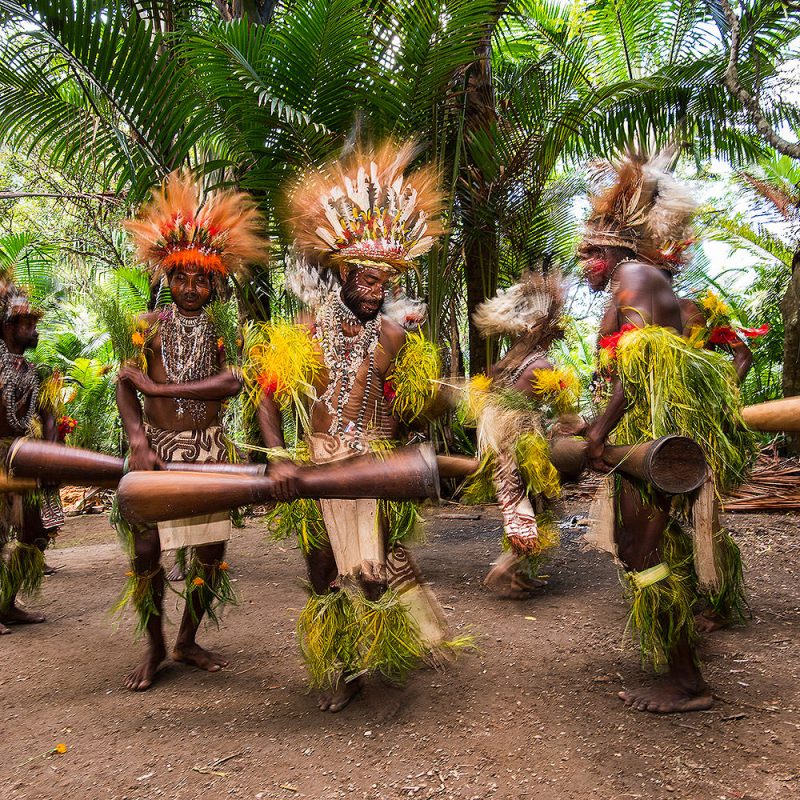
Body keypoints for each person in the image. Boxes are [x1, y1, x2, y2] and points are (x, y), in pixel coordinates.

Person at [250, 141, 466, 712]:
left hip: (375, 465)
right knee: (323, 571)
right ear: (343, 272)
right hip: (319, 464)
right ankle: (342, 669)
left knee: (373, 571)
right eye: (365, 281)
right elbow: (267, 399)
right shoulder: (305, 329)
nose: (375, 293)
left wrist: (431, 391)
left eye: (383, 284)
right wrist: (280, 459)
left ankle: (377, 654)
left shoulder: (397, 337)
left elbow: (414, 411)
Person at [580, 154, 756, 713]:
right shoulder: (642, 281)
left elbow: (639, 370)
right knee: (645, 548)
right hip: (649, 435)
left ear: (612, 253)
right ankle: (676, 660)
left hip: (653, 440)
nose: (584, 264)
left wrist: (597, 436)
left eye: (588, 254)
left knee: (639, 550)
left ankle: (686, 680)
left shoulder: (633, 277)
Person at [114, 170, 272, 689]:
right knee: (146, 551)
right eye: (181, 276)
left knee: (211, 551)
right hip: (156, 452)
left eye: (200, 279)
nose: (189, 287)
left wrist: (158, 392)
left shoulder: (224, 328)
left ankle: (186, 637)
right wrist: (138, 442)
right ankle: (156, 642)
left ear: (214, 282)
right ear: (166, 276)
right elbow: (124, 384)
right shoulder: (147, 325)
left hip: (207, 450)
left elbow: (231, 384)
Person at [461, 272, 580, 598]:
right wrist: (576, 426)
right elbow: (565, 411)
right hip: (524, 444)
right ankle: (506, 567)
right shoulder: (541, 364)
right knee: (534, 508)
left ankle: (521, 576)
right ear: (546, 330)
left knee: (526, 506)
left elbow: (488, 395)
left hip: (503, 444)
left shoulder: (509, 360)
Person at [0, 279, 64, 632]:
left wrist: (51, 456)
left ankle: (7, 603)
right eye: (28, 323)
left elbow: (47, 413)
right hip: (3, 456)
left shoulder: (30, 370)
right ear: (8, 326)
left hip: (24, 454)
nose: (34, 329)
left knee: (34, 533)